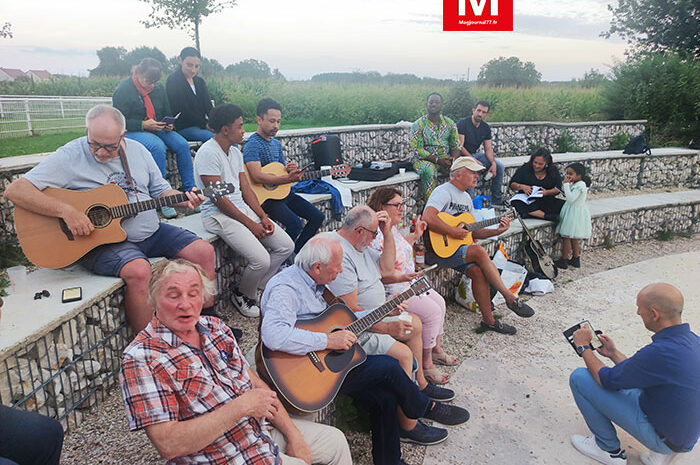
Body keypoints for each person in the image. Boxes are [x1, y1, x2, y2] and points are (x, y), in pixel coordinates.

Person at [260, 233, 470, 464]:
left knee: (385, 396)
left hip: (328, 366)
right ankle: (423, 406)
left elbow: (344, 319)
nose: (340, 271)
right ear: (317, 267)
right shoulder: (286, 287)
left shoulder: (317, 285)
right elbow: (274, 335)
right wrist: (329, 342)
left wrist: (384, 311)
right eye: (337, 266)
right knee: (388, 367)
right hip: (304, 374)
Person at [119, 258, 352, 465]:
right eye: (173, 295)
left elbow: (257, 388)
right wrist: (241, 407)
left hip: (259, 432)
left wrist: (293, 435)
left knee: (335, 442)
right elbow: (169, 444)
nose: (186, 304)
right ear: (153, 299)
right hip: (220, 455)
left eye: (193, 293)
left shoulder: (215, 328)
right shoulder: (141, 358)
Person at [3, 105, 214, 333]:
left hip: (150, 232)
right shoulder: (70, 155)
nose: (101, 152)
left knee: (203, 252)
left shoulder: (139, 151)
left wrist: (185, 199)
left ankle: (207, 325)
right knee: (139, 271)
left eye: (109, 147)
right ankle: (146, 345)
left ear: (122, 137)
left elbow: (162, 192)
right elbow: (16, 190)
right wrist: (66, 211)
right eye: (94, 143)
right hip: (102, 242)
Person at [326, 206, 455, 402]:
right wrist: (386, 327)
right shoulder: (341, 253)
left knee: (415, 324)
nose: (374, 238)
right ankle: (410, 416)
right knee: (403, 355)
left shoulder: (360, 246)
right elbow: (349, 314)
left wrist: (387, 233)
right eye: (374, 233)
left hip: (376, 313)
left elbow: (386, 269)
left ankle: (421, 385)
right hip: (360, 328)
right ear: (360, 231)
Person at [569, 283, 700, 465]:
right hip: (683, 437)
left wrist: (583, 347)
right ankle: (661, 456)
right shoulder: (693, 341)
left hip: (664, 439)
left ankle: (608, 450)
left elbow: (606, 380)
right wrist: (613, 353)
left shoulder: (660, 352)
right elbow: (641, 371)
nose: (638, 312)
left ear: (654, 314)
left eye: (640, 308)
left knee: (580, 378)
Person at [194, 104, 294, 318]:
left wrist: (262, 216)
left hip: (240, 209)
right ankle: (242, 294)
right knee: (261, 260)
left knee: (286, 246)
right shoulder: (207, 153)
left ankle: (260, 286)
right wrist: (250, 224)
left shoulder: (235, 151)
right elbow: (218, 199)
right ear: (225, 130)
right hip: (217, 214)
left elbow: (245, 189)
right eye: (239, 126)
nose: (243, 131)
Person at [422, 156, 535, 335]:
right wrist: (452, 232)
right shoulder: (443, 191)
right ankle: (509, 297)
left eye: (477, 173)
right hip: (436, 251)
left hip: (456, 250)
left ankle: (489, 321)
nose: (476, 176)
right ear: (458, 174)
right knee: (479, 251)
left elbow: (472, 233)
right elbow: (427, 217)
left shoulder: (467, 198)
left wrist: (496, 231)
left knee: (477, 271)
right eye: (472, 172)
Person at [367, 187, 456, 385]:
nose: (402, 209)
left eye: (402, 204)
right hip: (395, 289)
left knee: (440, 302)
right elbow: (383, 271)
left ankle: (435, 350)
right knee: (432, 312)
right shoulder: (378, 234)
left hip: (409, 282)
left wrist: (415, 237)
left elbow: (400, 248)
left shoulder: (392, 228)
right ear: (382, 207)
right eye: (396, 205)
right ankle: (426, 363)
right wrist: (404, 277)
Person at [112, 57, 195, 219]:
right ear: (137, 73)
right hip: (134, 130)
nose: (151, 85)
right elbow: (118, 120)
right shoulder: (123, 90)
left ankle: (189, 191)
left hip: (158, 127)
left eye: (154, 82)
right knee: (157, 146)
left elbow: (167, 110)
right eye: (148, 81)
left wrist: (169, 123)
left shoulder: (158, 89)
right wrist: (143, 125)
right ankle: (161, 198)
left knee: (182, 144)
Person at [243, 98, 324, 254]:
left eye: (279, 121)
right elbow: (256, 176)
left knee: (317, 217)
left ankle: (295, 254)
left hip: (281, 192)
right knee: (295, 224)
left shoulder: (275, 144)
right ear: (259, 120)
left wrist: (290, 170)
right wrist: (287, 179)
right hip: (265, 198)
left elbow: (280, 169)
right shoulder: (252, 144)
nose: (276, 126)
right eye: (272, 121)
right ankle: (283, 257)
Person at [410, 92, 462, 200]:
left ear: (442, 105)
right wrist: (438, 160)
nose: (433, 104)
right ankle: (431, 205)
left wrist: (453, 160)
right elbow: (417, 149)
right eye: (431, 102)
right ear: (427, 104)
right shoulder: (418, 125)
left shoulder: (450, 123)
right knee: (429, 170)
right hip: (423, 160)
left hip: (444, 159)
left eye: (437, 102)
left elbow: (456, 146)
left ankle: (458, 203)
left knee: (463, 168)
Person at [456, 100, 505, 205]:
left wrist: (493, 163)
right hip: (461, 156)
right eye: (478, 111)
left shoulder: (485, 128)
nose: (480, 114)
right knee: (471, 169)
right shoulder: (463, 123)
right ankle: (471, 205)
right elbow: (459, 146)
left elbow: (488, 149)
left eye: (483, 112)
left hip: (475, 155)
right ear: (473, 110)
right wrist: (473, 160)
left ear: (486, 114)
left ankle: (497, 202)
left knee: (500, 166)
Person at [165, 46, 214, 142]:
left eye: (197, 66)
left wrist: (215, 123)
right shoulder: (173, 81)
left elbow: (208, 106)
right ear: (180, 60)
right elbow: (181, 109)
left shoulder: (200, 82)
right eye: (189, 65)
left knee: (229, 138)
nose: (193, 70)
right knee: (217, 140)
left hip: (203, 126)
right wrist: (205, 124)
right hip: (185, 127)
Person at [508, 147, 565, 221]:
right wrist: (522, 186)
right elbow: (512, 184)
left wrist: (547, 192)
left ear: (546, 163)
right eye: (535, 162)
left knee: (565, 205)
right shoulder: (525, 168)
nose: (537, 166)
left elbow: (558, 189)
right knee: (516, 203)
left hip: (545, 199)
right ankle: (546, 216)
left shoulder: (553, 171)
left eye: (540, 164)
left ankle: (530, 214)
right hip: (527, 199)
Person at [555, 162, 592, 269]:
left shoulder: (580, 185)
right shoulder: (577, 184)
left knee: (566, 237)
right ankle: (576, 258)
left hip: (573, 213)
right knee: (573, 238)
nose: (568, 176)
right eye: (567, 173)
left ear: (579, 175)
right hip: (574, 211)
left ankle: (564, 259)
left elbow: (571, 199)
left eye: (571, 174)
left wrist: (566, 185)